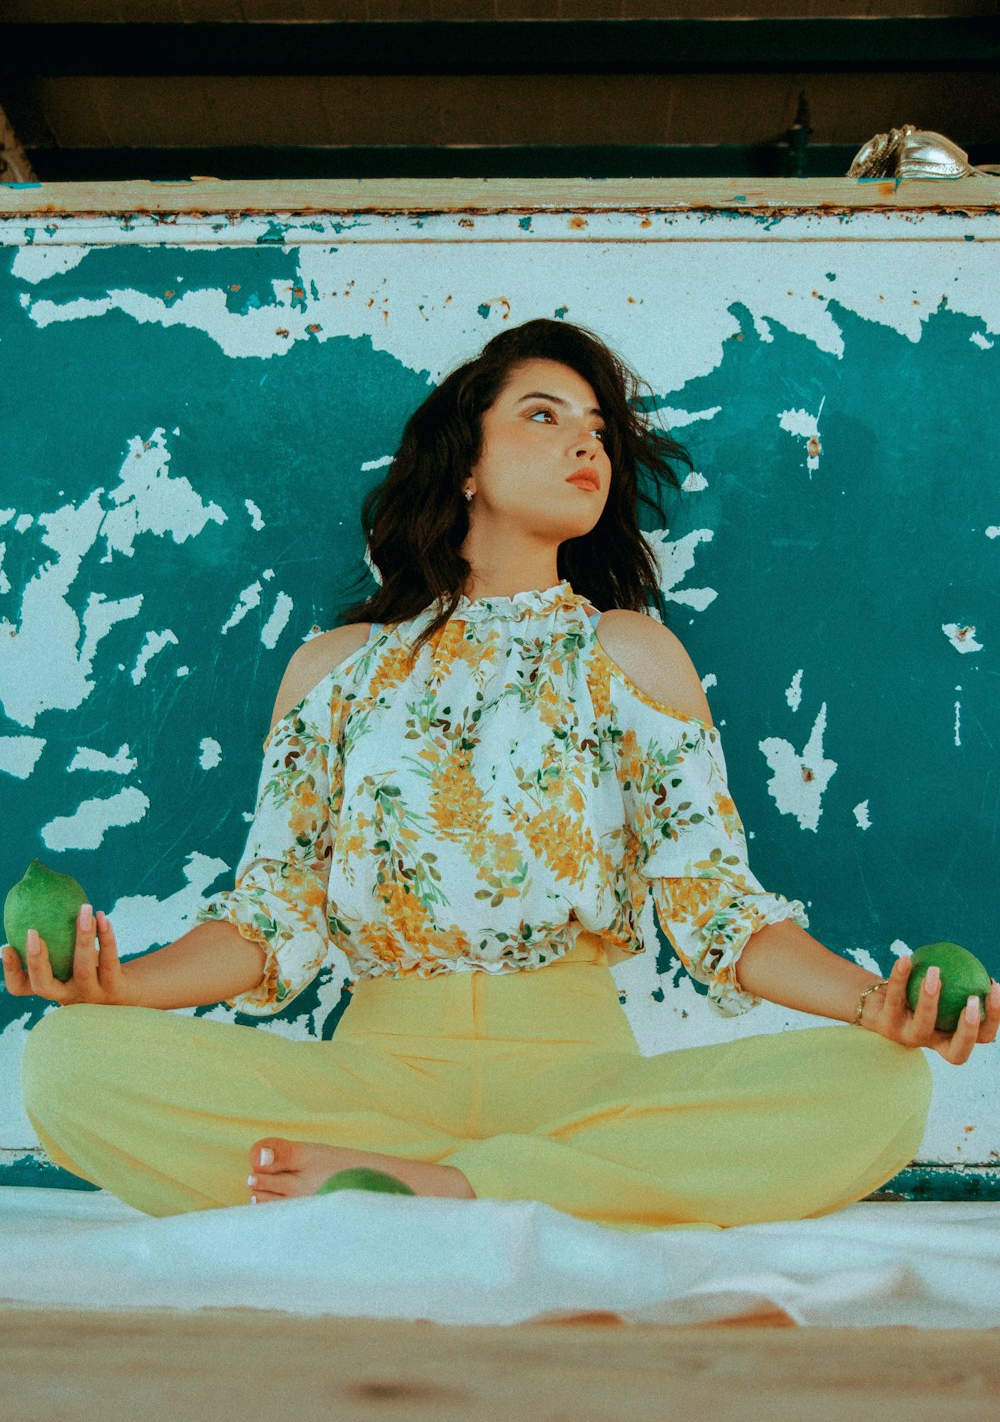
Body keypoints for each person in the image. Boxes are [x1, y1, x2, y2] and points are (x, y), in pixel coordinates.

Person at [9, 320, 998, 1230]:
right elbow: (272, 918)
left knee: (884, 1088)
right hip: (373, 1081)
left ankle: (444, 1185)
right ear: (464, 463)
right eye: (544, 415)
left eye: (600, 432)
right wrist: (118, 987)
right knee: (67, 1062)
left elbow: (718, 912)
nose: (586, 447)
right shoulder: (334, 669)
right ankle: (513, 1182)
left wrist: (878, 1004)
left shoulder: (632, 652)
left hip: (578, 1080)